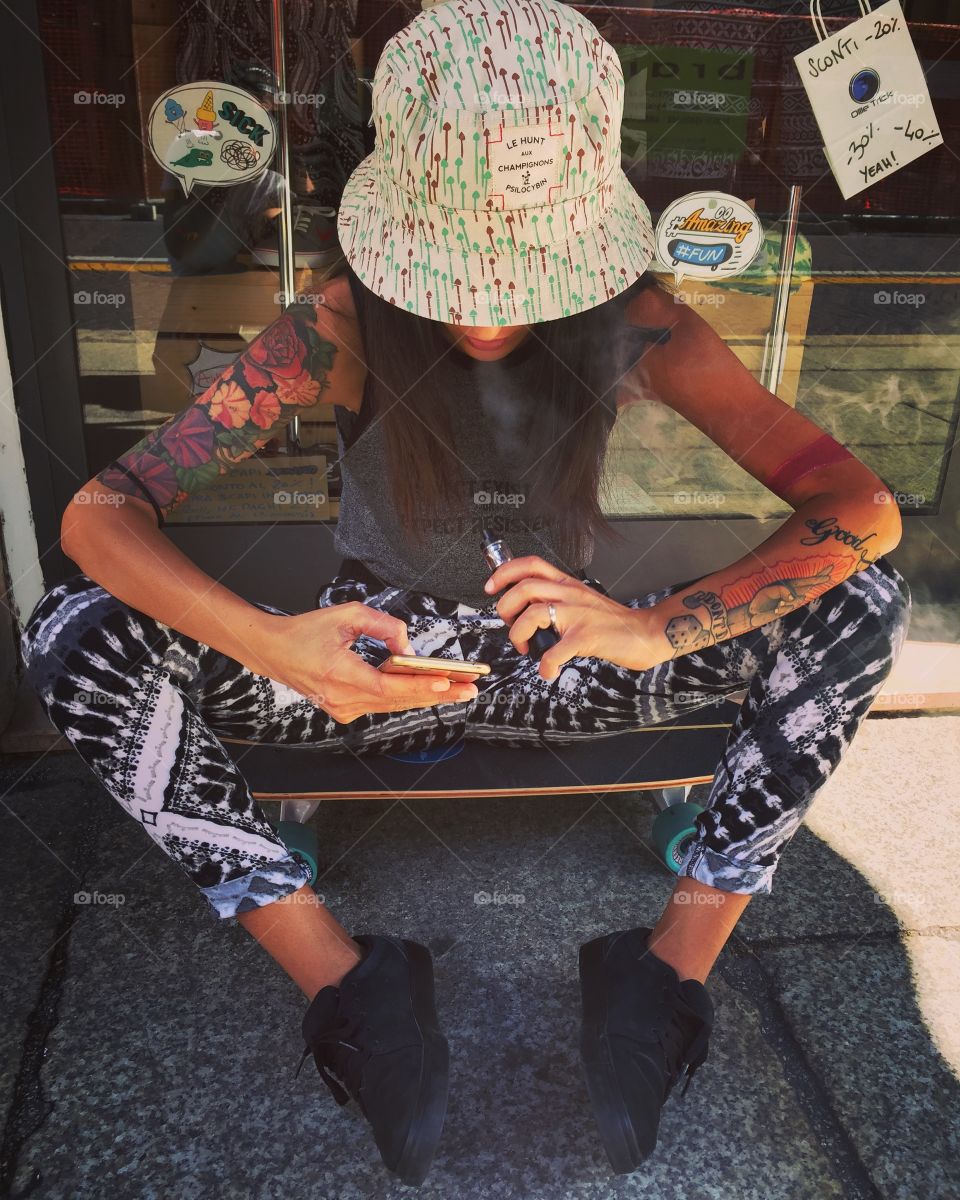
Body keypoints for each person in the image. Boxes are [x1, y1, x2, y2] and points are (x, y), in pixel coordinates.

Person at [21, 0, 911, 1186]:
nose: (486, 310)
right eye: (455, 271)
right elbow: (99, 514)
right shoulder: (337, 322)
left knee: (864, 601)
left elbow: (861, 511)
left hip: (569, 666)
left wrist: (653, 628)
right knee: (71, 631)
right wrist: (277, 646)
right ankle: (348, 983)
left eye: (522, 274)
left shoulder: (639, 326)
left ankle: (666, 975)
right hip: (368, 675)